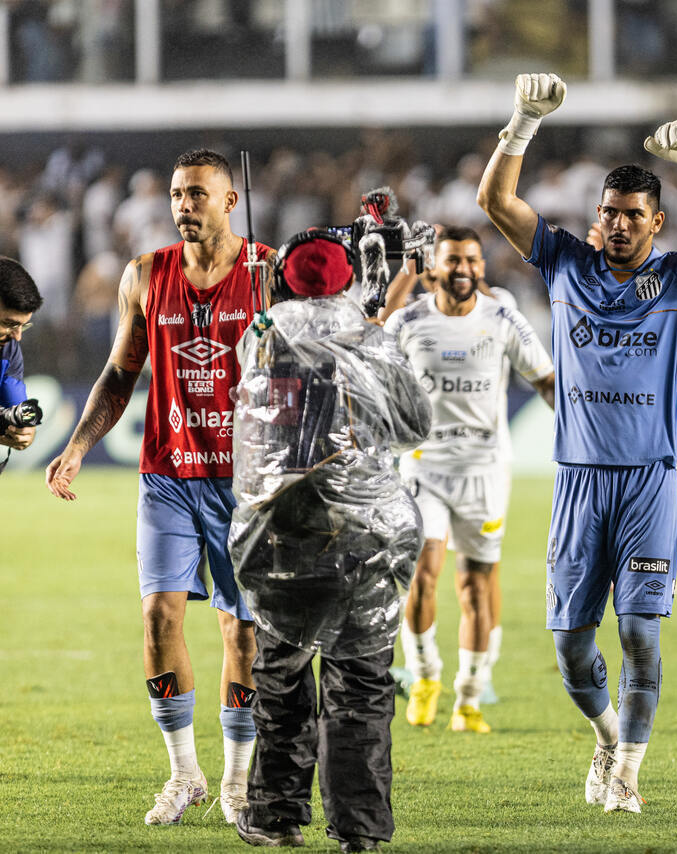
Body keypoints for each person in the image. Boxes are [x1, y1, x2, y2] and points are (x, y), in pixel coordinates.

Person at [476, 73, 677, 813]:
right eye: (609, 214)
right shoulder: (566, 261)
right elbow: (494, 203)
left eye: (633, 215)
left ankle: (628, 774)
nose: (618, 225)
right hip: (577, 484)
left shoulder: (675, 279)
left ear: (657, 224)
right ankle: (607, 738)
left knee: (639, 633)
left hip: (647, 485)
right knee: (572, 648)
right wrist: (523, 120)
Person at [45, 148, 271, 826]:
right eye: (177, 195)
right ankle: (184, 774)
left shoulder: (266, 276)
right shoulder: (145, 275)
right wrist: (78, 445)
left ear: (231, 202)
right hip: (168, 474)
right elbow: (119, 373)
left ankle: (237, 781)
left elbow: (306, 370)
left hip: (246, 482)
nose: (183, 206)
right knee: (158, 618)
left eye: (198, 195)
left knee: (242, 632)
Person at [228, 230, 433, 852]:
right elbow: (413, 424)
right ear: (347, 281)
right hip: (367, 540)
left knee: (282, 676)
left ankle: (274, 817)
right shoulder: (373, 340)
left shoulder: (261, 335)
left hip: (281, 535)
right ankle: (361, 831)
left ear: (282, 279)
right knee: (362, 684)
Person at [387, 225, 554, 734]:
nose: (463, 269)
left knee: (476, 585)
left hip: (484, 471)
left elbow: (546, 379)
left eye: (471, 261)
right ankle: (424, 676)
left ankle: (469, 695)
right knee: (423, 570)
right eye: (453, 261)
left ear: (482, 267)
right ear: (433, 267)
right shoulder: (408, 320)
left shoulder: (502, 316)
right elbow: (367, 355)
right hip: (423, 466)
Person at [0, 257, 42, 457]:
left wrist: (24, 432)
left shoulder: (8, 350)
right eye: (9, 323)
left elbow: (16, 409)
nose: (17, 336)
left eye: (23, 325)